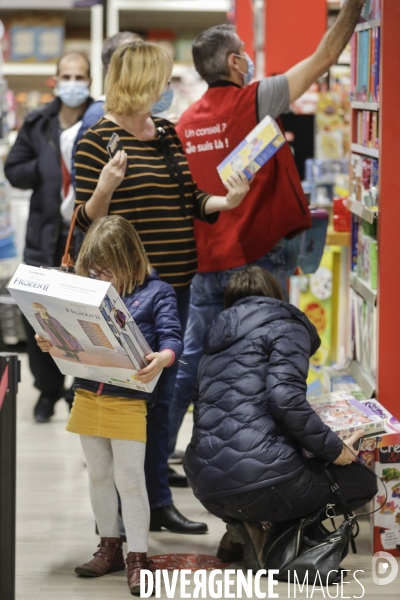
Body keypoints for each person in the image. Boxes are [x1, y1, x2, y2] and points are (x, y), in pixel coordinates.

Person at [170, 0, 369, 458]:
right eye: (245, 52)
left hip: (207, 263)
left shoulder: (184, 123)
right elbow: (322, 58)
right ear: (237, 62)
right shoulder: (255, 98)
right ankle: (258, 456)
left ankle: (168, 459)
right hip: (258, 259)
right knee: (264, 362)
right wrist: (355, 7)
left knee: (195, 364)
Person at [73, 40, 250, 534]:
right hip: (126, 295)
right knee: (129, 400)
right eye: (163, 81)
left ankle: (155, 502)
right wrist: (106, 186)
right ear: (140, 83)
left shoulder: (167, 133)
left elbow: (188, 198)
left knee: (164, 398)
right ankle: (119, 514)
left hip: (176, 285)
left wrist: (225, 201)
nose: (169, 90)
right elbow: (86, 221)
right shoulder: (98, 139)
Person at [184, 266, 378, 570]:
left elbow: (204, 404)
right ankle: (275, 541)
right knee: (362, 482)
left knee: (267, 471)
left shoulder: (214, 339)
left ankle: (241, 529)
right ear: (276, 296)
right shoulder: (286, 327)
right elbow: (284, 399)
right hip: (262, 483)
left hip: (206, 485)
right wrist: (334, 450)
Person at [35, 215, 183, 596]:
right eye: (94, 269)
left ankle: (138, 557)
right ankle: (109, 546)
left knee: (130, 480)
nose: (100, 276)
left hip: (129, 399)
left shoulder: (158, 292)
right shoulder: (87, 291)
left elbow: (172, 337)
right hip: (87, 393)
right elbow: (69, 337)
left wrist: (164, 357)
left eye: (107, 269)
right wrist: (52, 342)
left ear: (129, 259)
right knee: (99, 475)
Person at [5, 51, 93, 423]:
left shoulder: (98, 119)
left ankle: (79, 390)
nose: (73, 83)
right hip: (44, 232)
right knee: (38, 316)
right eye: (67, 76)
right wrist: (45, 167)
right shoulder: (38, 122)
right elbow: (14, 170)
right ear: (56, 80)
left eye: (80, 76)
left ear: (90, 80)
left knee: (82, 317)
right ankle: (48, 391)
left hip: (85, 236)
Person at [70, 31, 143, 191]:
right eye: (133, 58)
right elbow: (84, 184)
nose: (143, 64)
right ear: (112, 68)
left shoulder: (144, 112)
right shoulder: (99, 115)